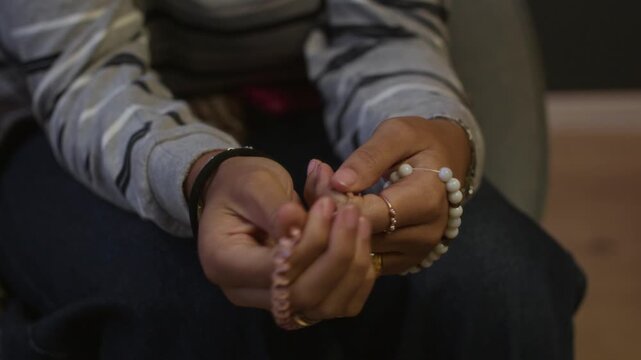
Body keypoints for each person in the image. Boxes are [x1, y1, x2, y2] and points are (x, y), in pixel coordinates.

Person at [0, 0, 585, 359]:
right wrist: (202, 175)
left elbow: (382, 33)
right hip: (70, 125)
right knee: (181, 308)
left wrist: (434, 134)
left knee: (500, 278)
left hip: (302, 97)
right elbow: (87, 75)